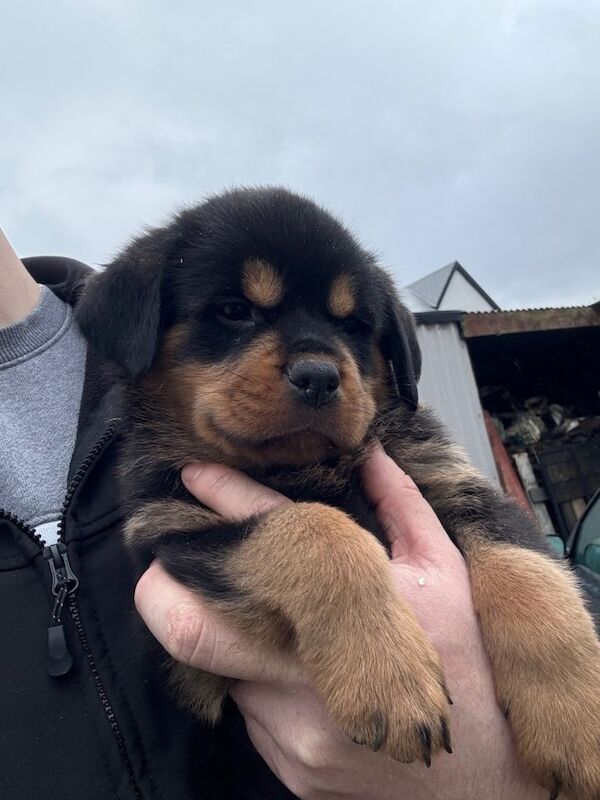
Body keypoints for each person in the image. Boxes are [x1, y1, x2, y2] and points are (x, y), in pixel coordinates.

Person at [0, 227, 545, 799]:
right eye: (235, 312)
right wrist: (325, 563)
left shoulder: (394, 446)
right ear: (137, 335)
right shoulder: (165, 460)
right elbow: (183, 550)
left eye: (354, 327)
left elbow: (484, 520)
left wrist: (507, 765)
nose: (317, 366)